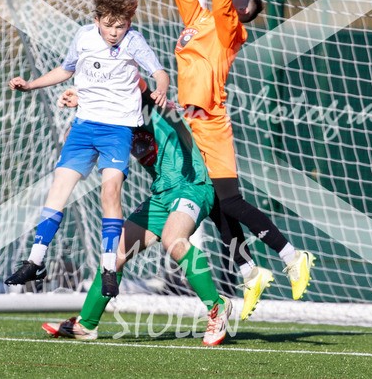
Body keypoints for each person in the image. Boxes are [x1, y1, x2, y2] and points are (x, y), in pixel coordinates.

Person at [174, 0, 316, 320]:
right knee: (220, 208)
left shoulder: (229, 30)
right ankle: (249, 271)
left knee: (231, 201)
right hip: (190, 122)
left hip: (210, 122)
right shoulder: (199, 19)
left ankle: (292, 255)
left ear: (244, 13)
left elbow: (222, 4)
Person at [4, 0, 170, 299]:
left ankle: (109, 267)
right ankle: (35, 260)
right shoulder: (83, 36)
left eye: (121, 26)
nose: (114, 32)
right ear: (96, 19)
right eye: (108, 24)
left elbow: (159, 72)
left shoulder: (133, 40)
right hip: (83, 127)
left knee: (110, 191)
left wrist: (160, 89)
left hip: (118, 130)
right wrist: (30, 85)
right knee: (58, 188)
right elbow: (66, 70)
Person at [43, 83, 231, 346]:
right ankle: (86, 325)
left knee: (173, 239)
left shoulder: (150, 108)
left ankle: (217, 308)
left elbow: (135, 81)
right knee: (115, 253)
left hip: (191, 186)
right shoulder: (118, 124)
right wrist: (82, 100)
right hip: (161, 195)